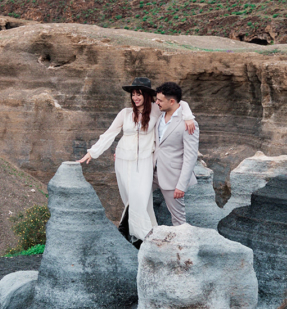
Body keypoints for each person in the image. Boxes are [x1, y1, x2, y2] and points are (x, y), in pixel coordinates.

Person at [79, 77, 195, 243]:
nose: (135, 97)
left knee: (140, 197)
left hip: (145, 162)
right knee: (130, 200)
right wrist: (92, 152)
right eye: (133, 94)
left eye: (139, 94)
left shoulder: (156, 109)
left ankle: (143, 236)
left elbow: (179, 102)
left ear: (147, 95)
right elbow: (109, 134)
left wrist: (189, 117)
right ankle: (133, 237)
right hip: (123, 162)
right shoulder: (125, 113)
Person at [153, 82, 199, 226]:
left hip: (173, 177)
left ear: (171, 101)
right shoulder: (160, 116)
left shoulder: (189, 124)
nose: (156, 103)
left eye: (160, 100)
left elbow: (190, 157)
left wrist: (181, 185)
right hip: (153, 172)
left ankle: (181, 246)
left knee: (178, 219)